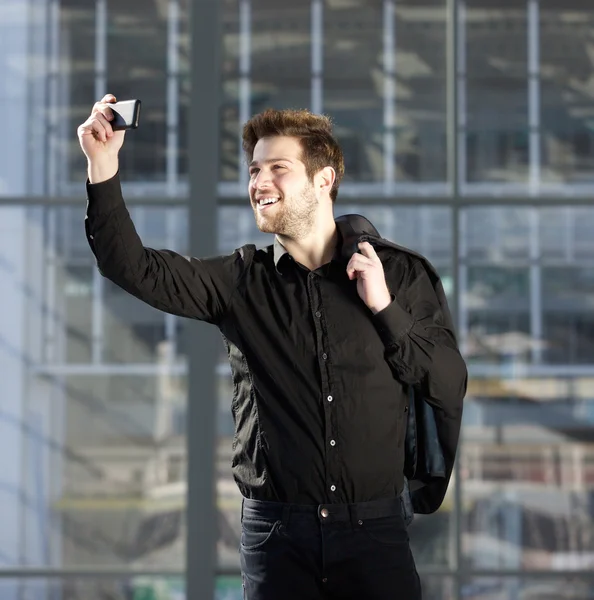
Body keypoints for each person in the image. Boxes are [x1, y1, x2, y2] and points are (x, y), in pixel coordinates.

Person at [78, 94, 467, 600]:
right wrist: (102, 165)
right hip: (276, 540)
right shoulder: (239, 282)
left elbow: (447, 381)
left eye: (277, 168)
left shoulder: (399, 274)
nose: (259, 182)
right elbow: (133, 267)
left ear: (323, 180)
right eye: (254, 169)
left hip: (376, 536)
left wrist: (385, 310)